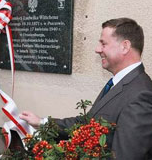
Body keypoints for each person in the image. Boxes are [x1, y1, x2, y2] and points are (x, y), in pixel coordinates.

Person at [20, 18, 152, 159]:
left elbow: (126, 156)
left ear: (125, 46)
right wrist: (42, 123)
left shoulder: (141, 94)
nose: (97, 49)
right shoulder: (118, 83)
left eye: (103, 43)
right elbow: (87, 122)